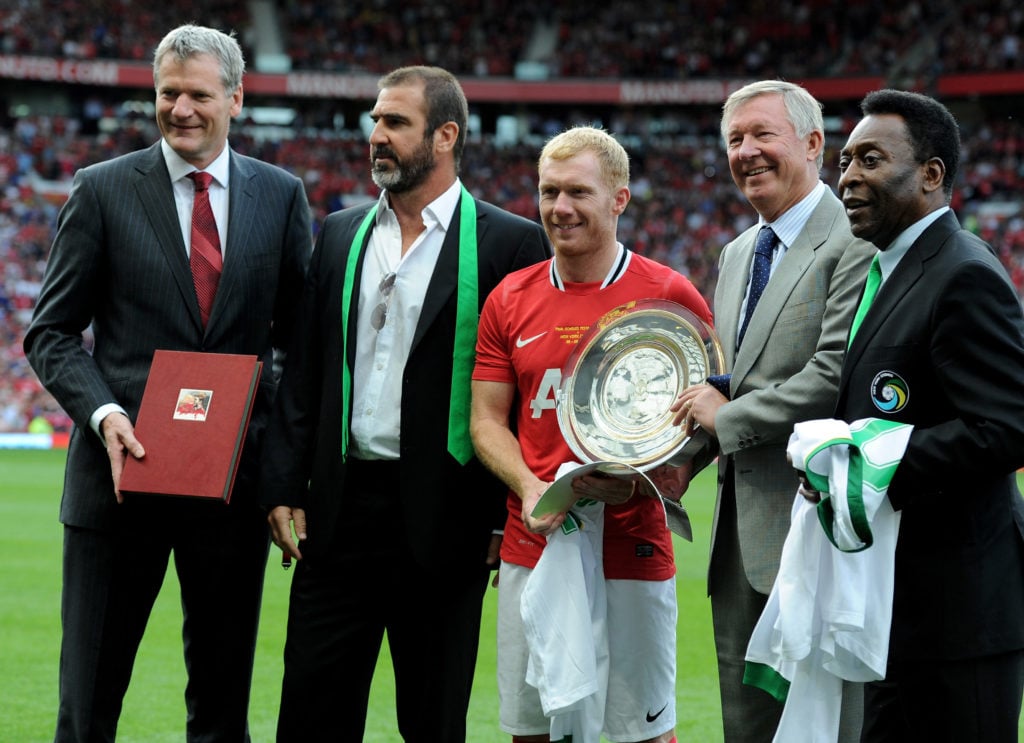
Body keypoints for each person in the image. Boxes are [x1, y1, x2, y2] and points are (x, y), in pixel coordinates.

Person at [23, 24, 312, 742]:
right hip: (118, 485)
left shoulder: (281, 196)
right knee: (87, 710)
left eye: (199, 95)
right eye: (168, 92)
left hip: (231, 490)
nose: (181, 108)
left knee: (221, 714)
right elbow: (50, 332)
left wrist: (277, 465)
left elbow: (298, 343)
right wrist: (104, 413)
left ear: (235, 100)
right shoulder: (101, 189)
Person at [258, 65, 550, 742]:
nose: (376, 136)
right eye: (375, 121)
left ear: (445, 136)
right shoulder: (340, 232)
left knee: (433, 720)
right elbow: (305, 370)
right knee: (309, 717)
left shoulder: (509, 242)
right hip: (338, 515)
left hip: (448, 520)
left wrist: (504, 515)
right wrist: (283, 484)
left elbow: (523, 392)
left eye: (395, 122)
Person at [471, 125, 712, 743]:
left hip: (633, 543)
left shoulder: (668, 294)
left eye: (578, 192)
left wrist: (663, 476)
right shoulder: (509, 298)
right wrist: (530, 487)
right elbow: (485, 421)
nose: (560, 208)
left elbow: (709, 417)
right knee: (533, 732)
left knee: (643, 734)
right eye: (549, 191)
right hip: (537, 540)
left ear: (619, 199)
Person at [670, 80, 873, 743]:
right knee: (747, 726)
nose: (746, 151)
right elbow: (734, 382)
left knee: (825, 723)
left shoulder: (855, 239)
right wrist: (682, 459)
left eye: (763, 134)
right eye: (734, 139)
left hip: (818, 530)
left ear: (813, 144)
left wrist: (723, 421)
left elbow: (833, 373)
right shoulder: (736, 253)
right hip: (737, 543)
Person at [834, 89, 1024, 742]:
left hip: (959, 619)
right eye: (845, 161)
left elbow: (1007, 427)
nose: (848, 176)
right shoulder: (890, 269)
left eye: (870, 159)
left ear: (931, 174)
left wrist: (871, 460)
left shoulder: (963, 272)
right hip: (897, 608)